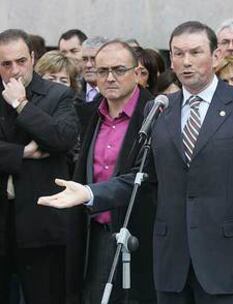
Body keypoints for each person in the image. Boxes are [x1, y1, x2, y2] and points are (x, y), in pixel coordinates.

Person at [38, 21, 233, 304]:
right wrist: (90, 192)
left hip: (225, 259)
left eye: (195, 52)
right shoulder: (161, 108)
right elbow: (140, 176)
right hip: (172, 261)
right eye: (178, 53)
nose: (186, 61)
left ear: (215, 56)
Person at [0, 29, 79, 304]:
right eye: (6, 64)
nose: (15, 70)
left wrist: (21, 105)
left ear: (33, 58)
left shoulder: (58, 95)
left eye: (21, 61)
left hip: (41, 224)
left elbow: (61, 138)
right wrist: (21, 152)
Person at [76, 40, 156, 304]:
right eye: (102, 71)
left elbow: (144, 178)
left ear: (137, 73)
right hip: (96, 234)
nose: (109, 78)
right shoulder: (90, 113)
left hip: (142, 234)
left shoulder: (156, 113)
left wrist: (89, 193)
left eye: (119, 70)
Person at [80, 36, 108, 102]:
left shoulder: (117, 94)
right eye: (84, 59)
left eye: (94, 59)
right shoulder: (72, 92)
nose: (88, 65)